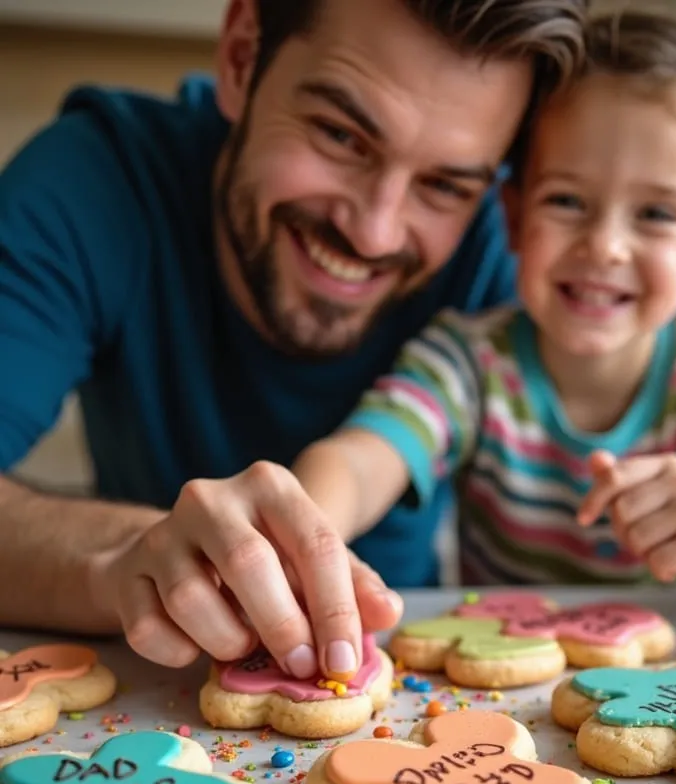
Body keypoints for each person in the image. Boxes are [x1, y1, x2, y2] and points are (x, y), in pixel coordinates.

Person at [0, 0, 586, 676]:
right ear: (243, 57)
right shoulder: (91, 183)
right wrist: (123, 561)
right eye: (341, 136)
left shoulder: (510, 250)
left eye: (445, 186)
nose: (375, 232)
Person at [293, 11, 676, 595]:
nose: (605, 246)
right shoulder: (468, 361)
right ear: (513, 217)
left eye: (655, 214)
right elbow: (361, 462)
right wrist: (304, 533)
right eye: (566, 200)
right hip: (502, 683)